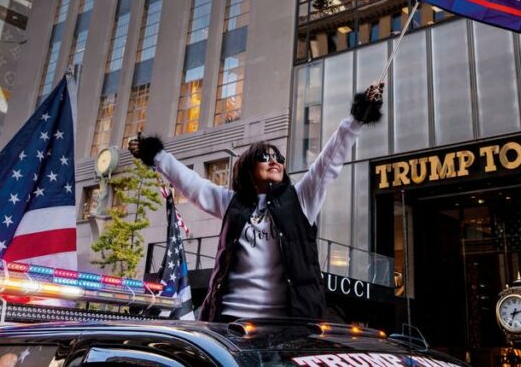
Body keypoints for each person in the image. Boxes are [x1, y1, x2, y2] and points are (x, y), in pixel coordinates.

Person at [128, 84, 384, 322]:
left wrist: (357, 118)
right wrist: (156, 155)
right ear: (249, 169)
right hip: (229, 324)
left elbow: (329, 161)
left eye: (278, 157)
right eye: (264, 157)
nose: (274, 161)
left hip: (288, 326)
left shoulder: (302, 198)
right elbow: (192, 184)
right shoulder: (231, 203)